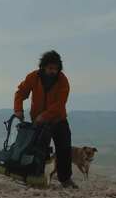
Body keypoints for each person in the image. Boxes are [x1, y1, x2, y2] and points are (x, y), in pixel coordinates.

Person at [13, 50, 78, 189]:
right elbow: (21, 92)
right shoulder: (33, 77)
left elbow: (60, 103)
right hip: (38, 121)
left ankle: (65, 179)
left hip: (58, 119)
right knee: (39, 150)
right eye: (50, 68)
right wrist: (18, 108)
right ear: (43, 67)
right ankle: (36, 178)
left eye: (55, 68)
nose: (53, 71)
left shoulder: (63, 81)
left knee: (65, 148)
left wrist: (45, 115)